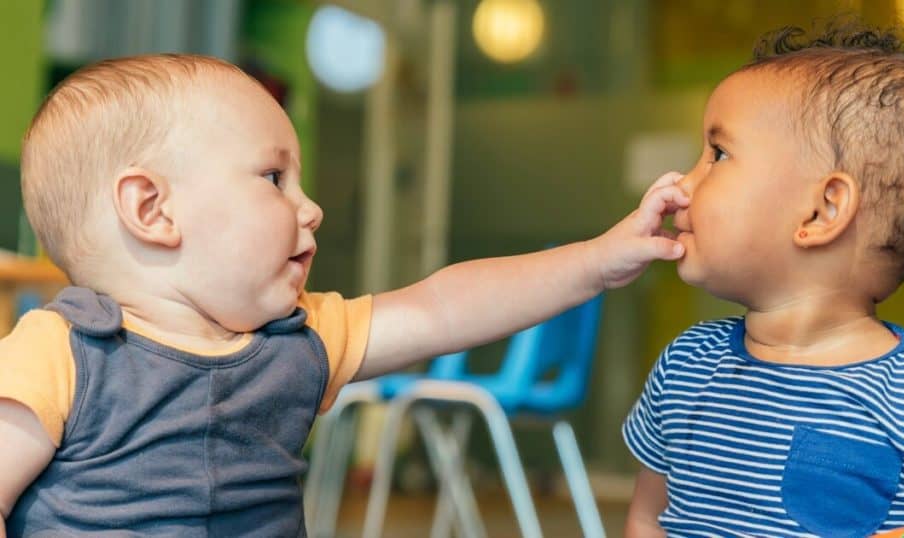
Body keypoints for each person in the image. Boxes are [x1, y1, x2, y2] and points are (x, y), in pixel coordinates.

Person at [0, 54, 690, 536]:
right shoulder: (61, 354)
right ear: (152, 210)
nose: (312, 208)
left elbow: (443, 308)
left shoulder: (303, 338)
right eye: (274, 179)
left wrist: (597, 260)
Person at [622, 19, 904, 538]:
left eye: (717, 155)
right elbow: (646, 517)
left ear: (821, 212)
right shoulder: (686, 366)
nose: (680, 183)